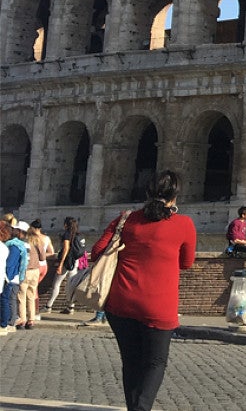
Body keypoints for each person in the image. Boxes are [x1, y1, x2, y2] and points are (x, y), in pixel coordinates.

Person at [97, 170, 197, 411]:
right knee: (155, 363)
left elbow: (98, 251)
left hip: (121, 302)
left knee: (130, 362)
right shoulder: (184, 224)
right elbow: (186, 263)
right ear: (174, 197)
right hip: (158, 306)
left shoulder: (125, 219)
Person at [44, 217, 85, 313]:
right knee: (71, 284)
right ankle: (70, 306)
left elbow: (66, 248)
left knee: (56, 283)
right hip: (75, 261)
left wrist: (61, 263)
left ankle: (48, 306)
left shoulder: (67, 234)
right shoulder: (79, 235)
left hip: (67, 261)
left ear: (66, 225)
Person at [17, 220, 45, 328]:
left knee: (21, 296)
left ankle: (22, 320)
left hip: (25, 270)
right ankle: (31, 320)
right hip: (35, 271)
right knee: (31, 296)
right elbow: (42, 257)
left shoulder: (23, 241)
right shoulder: (38, 241)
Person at [27, 220, 52, 318]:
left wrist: (35, 255)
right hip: (44, 266)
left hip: (35, 266)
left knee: (33, 289)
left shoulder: (32, 238)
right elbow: (51, 252)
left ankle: (35, 311)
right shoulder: (46, 238)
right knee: (34, 288)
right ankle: (34, 311)